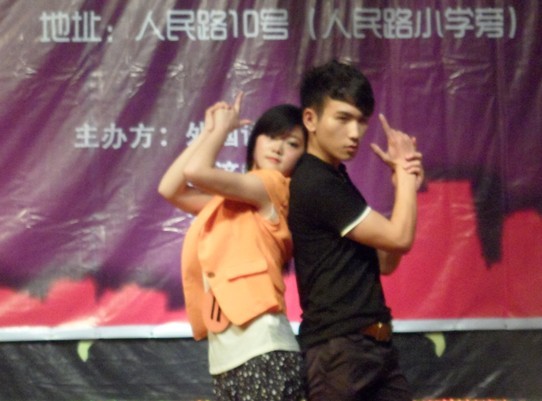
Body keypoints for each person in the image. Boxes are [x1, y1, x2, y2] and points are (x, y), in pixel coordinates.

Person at [288, 60, 424, 401]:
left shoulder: (336, 178)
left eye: (362, 121)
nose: (355, 133)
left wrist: (402, 185)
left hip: (372, 348)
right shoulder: (315, 180)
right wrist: (406, 175)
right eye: (343, 118)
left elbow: (386, 261)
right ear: (310, 119)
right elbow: (400, 238)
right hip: (338, 354)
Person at [158, 93, 307, 401]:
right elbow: (170, 188)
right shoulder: (226, 203)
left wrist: (222, 130)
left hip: (263, 349)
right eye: (271, 137)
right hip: (227, 359)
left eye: (292, 143)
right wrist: (209, 131)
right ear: (255, 141)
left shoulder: (274, 186)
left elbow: (196, 172)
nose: (278, 148)